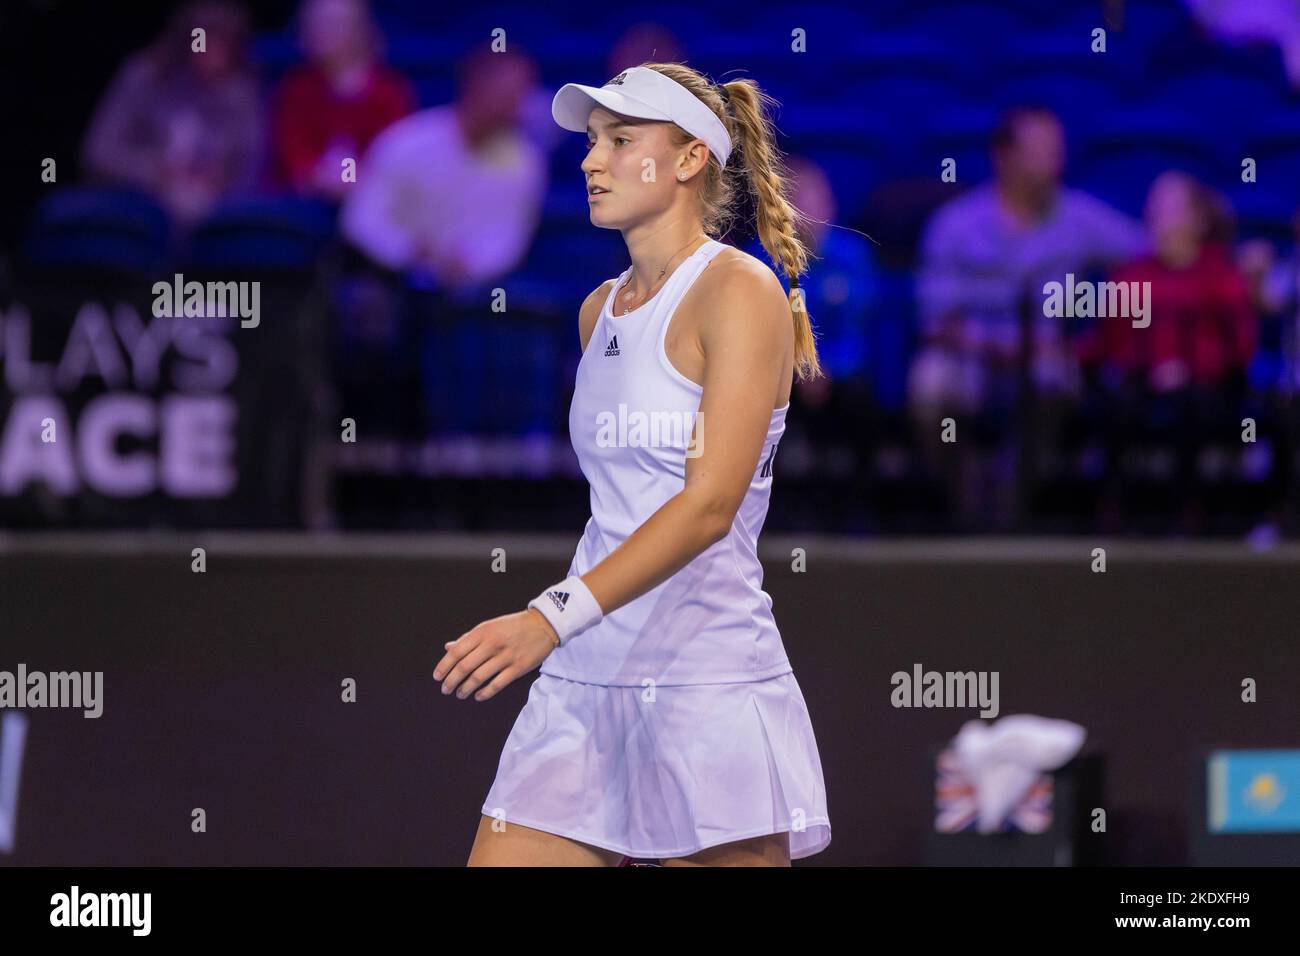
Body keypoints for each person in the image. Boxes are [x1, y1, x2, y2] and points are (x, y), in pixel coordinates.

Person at [434, 63, 832, 866]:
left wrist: (549, 614)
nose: (591, 160)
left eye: (621, 140)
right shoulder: (598, 310)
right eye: (590, 142)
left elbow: (710, 503)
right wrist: (570, 626)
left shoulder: (741, 292)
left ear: (689, 160)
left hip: (705, 682)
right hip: (584, 681)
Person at [911, 106, 1148, 530]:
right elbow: (933, 319)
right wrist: (999, 346)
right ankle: (963, 499)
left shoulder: (1078, 216)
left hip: (1045, 354)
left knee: (1052, 382)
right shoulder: (955, 223)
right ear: (1005, 157)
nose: (1053, 162)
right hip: (969, 355)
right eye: (1041, 151)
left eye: (1057, 151)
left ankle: (1010, 505)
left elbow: (1149, 251)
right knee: (929, 388)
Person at [1080, 170, 1258, 532]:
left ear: (1198, 218)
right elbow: (1108, 344)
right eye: (1154, 207)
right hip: (1142, 381)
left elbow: (1238, 347)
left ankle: (1189, 509)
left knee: (1191, 407)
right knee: (1117, 406)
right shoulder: (1130, 275)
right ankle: (1114, 507)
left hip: (1207, 385)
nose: (1159, 216)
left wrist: (1189, 368)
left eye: (1170, 208)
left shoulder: (1221, 274)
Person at [81, 0, 263, 227]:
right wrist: (157, 171)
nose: (210, 53)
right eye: (203, 40)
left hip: (209, 204)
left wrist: (218, 179)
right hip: (136, 192)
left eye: (222, 43)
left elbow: (250, 168)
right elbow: (98, 152)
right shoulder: (143, 77)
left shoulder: (241, 93)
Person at [271, 0, 417, 201]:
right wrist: (321, 178)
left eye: (333, 24)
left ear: (360, 29)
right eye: (316, 23)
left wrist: (354, 180)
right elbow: (294, 156)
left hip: (373, 199)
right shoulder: (297, 91)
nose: (322, 32)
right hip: (307, 200)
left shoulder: (389, 93)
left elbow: (396, 154)